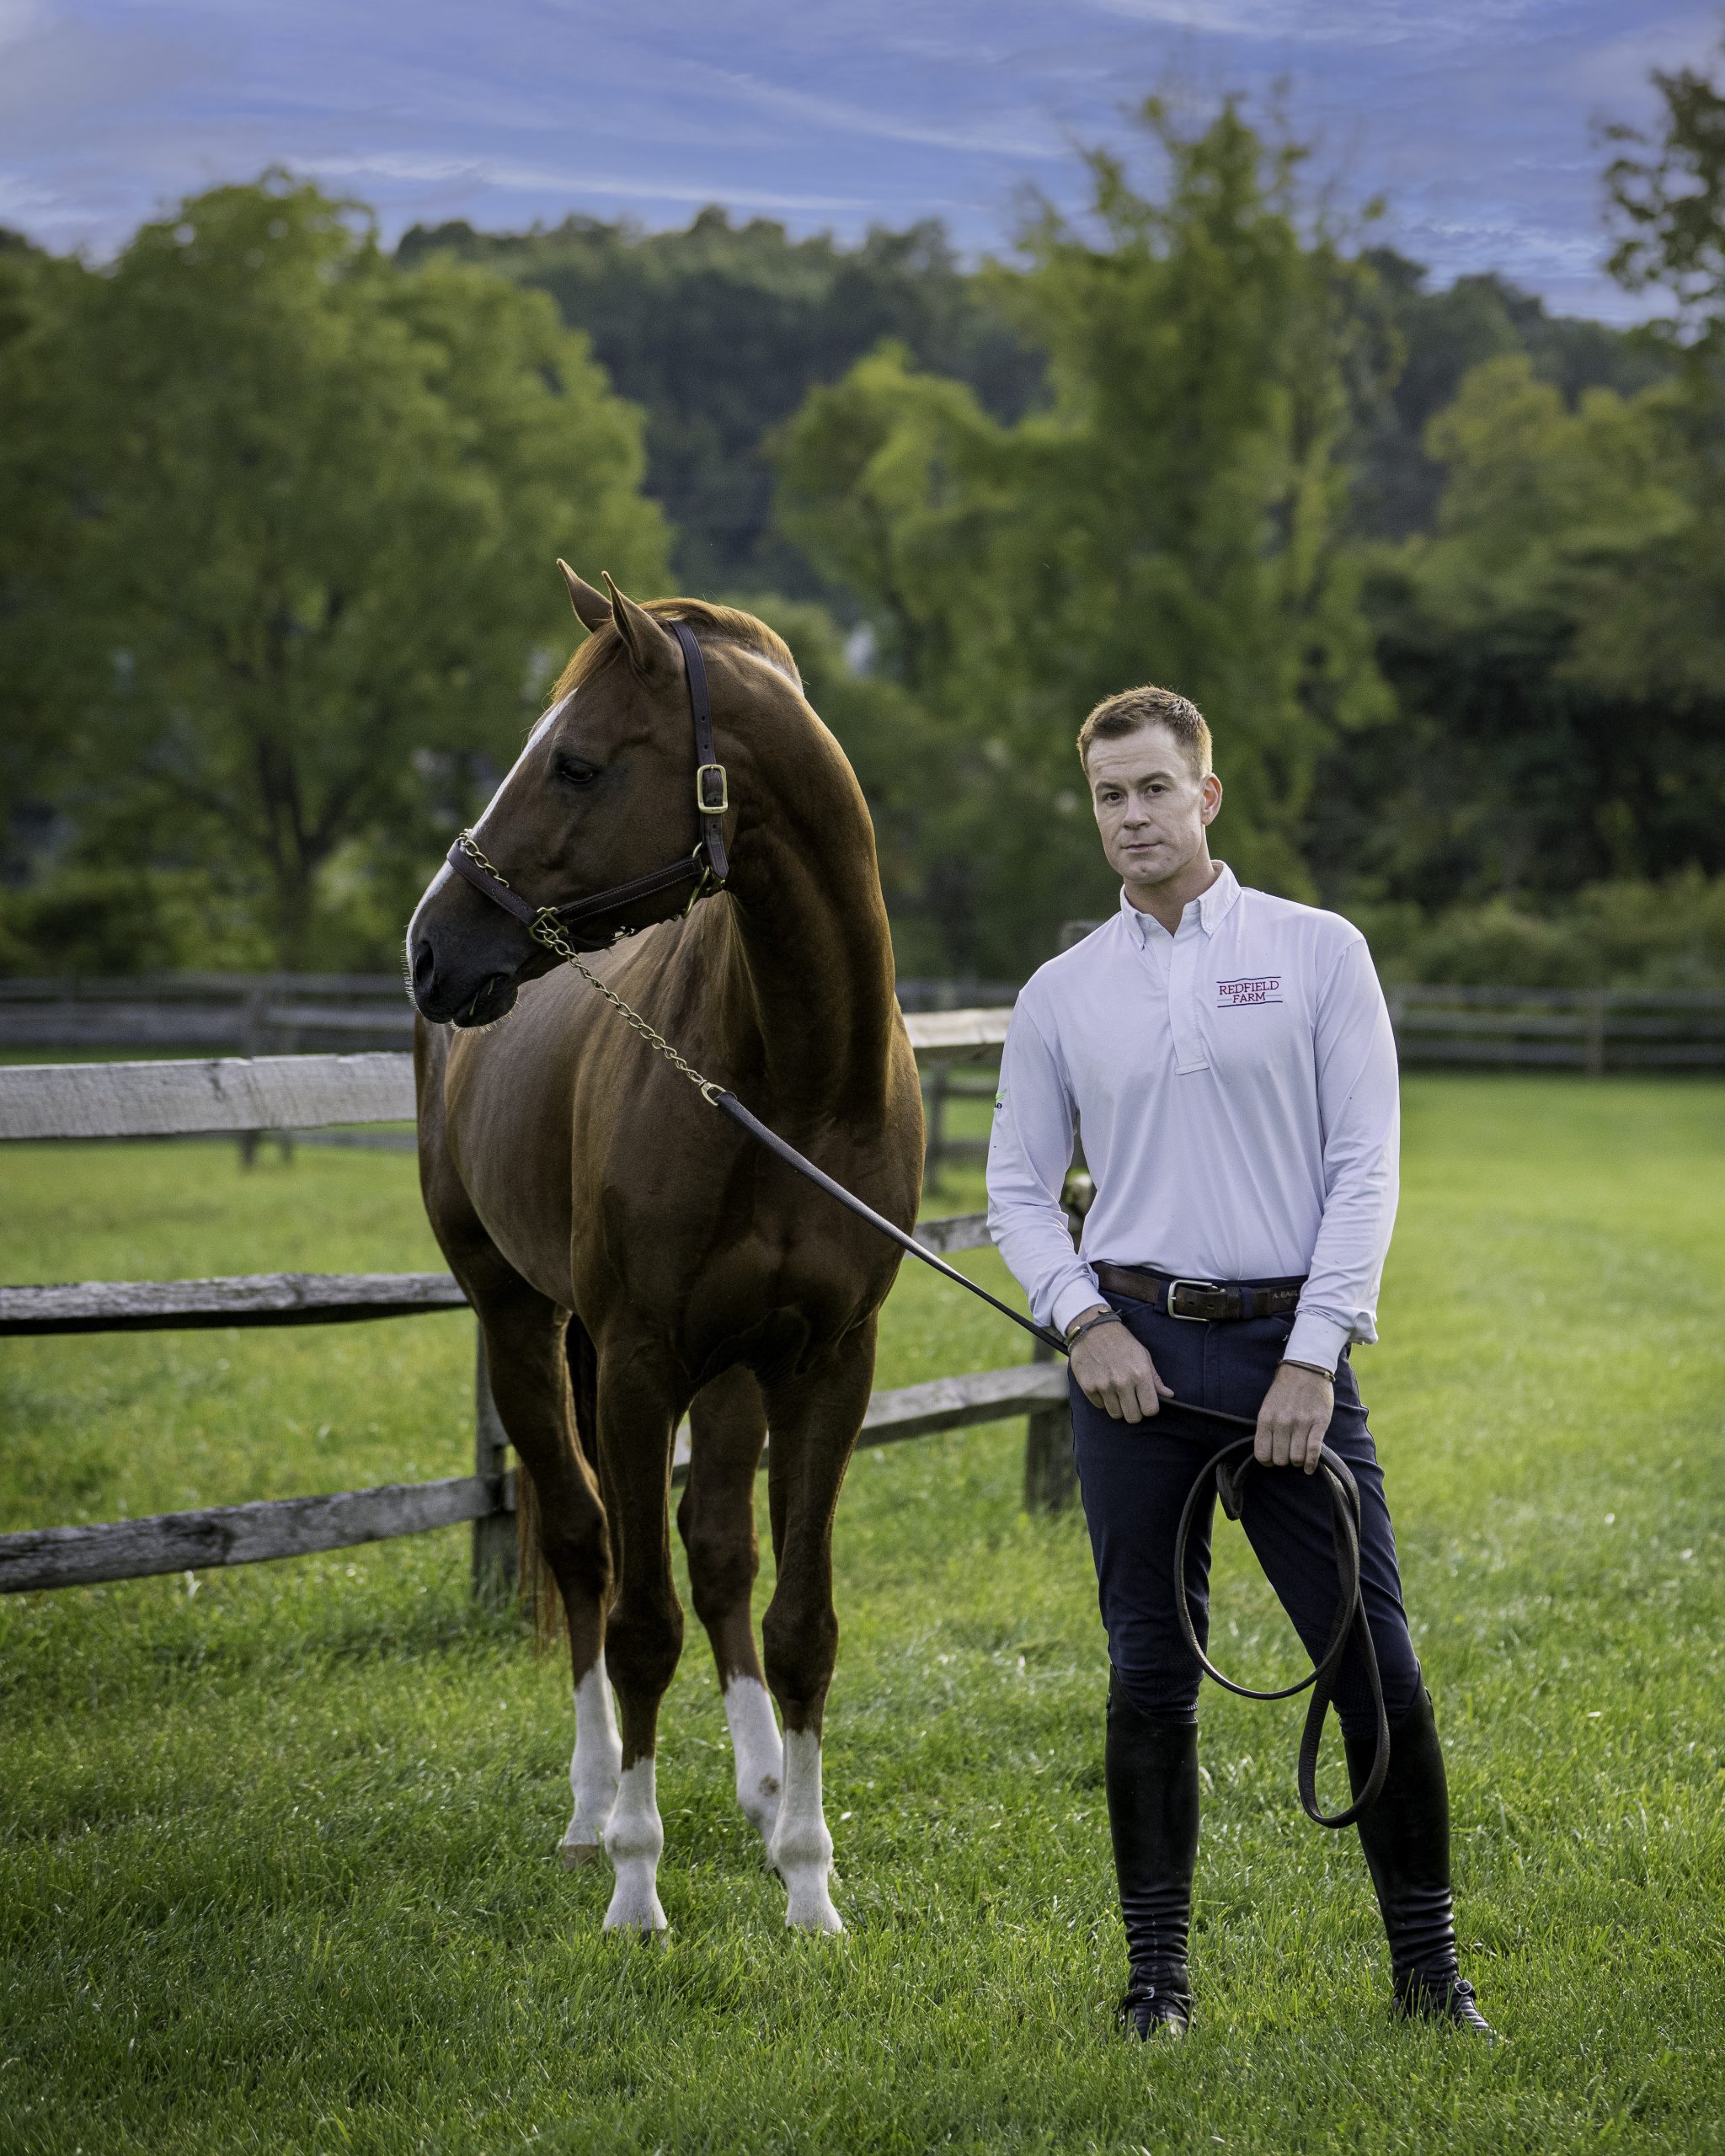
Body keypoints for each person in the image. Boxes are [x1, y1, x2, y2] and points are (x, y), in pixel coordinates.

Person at [985, 686, 1495, 2043]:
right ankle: (1157, 1985)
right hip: (1133, 1365)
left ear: (1207, 796)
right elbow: (1021, 1192)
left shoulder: (1320, 952)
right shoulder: (1061, 994)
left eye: (1155, 789)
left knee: (1371, 1663)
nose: (1133, 817)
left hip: (1289, 1358)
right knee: (1150, 1671)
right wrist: (1084, 1324)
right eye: (1109, 795)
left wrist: (1315, 1357)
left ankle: (1431, 1980)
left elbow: (1364, 1167)